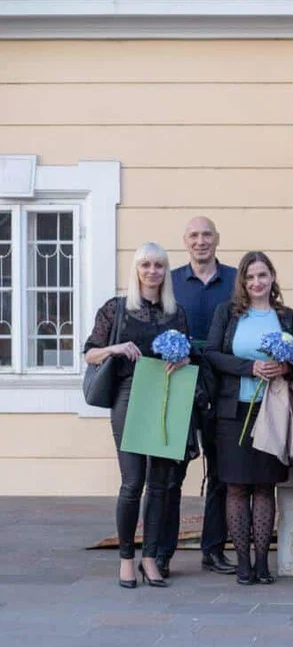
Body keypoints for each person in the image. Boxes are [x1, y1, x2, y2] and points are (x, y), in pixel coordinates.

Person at [84, 242, 190, 589]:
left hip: (165, 396)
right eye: (146, 265)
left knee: (160, 485)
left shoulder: (177, 312)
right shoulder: (116, 309)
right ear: (136, 269)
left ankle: (151, 557)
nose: (152, 271)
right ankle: (127, 558)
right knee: (133, 483)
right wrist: (115, 348)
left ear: (165, 271)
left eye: (159, 265)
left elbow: (189, 353)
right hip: (128, 396)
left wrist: (185, 360)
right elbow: (90, 354)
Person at [205, 252, 293, 585]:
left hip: (271, 410)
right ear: (243, 283)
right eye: (250, 277)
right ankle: (242, 563)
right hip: (233, 411)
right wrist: (250, 367)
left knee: (264, 486)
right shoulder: (228, 314)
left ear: (272, 277)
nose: (257, 282)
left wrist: (284, 368)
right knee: (235, 487)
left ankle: (263, 563)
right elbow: (212, 355)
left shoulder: (287, 317)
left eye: (262, 275)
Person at [165, 217, 237, 578]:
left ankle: (213, 550)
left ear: (217, 238)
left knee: (221, 473)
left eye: (207, 234)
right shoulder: (171, 280)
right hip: (180, 384)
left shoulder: (237, 279)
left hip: (223, 384)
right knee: (171, 472)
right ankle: (161, 553)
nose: (201, 241)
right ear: (185, 241)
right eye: (194, 235)